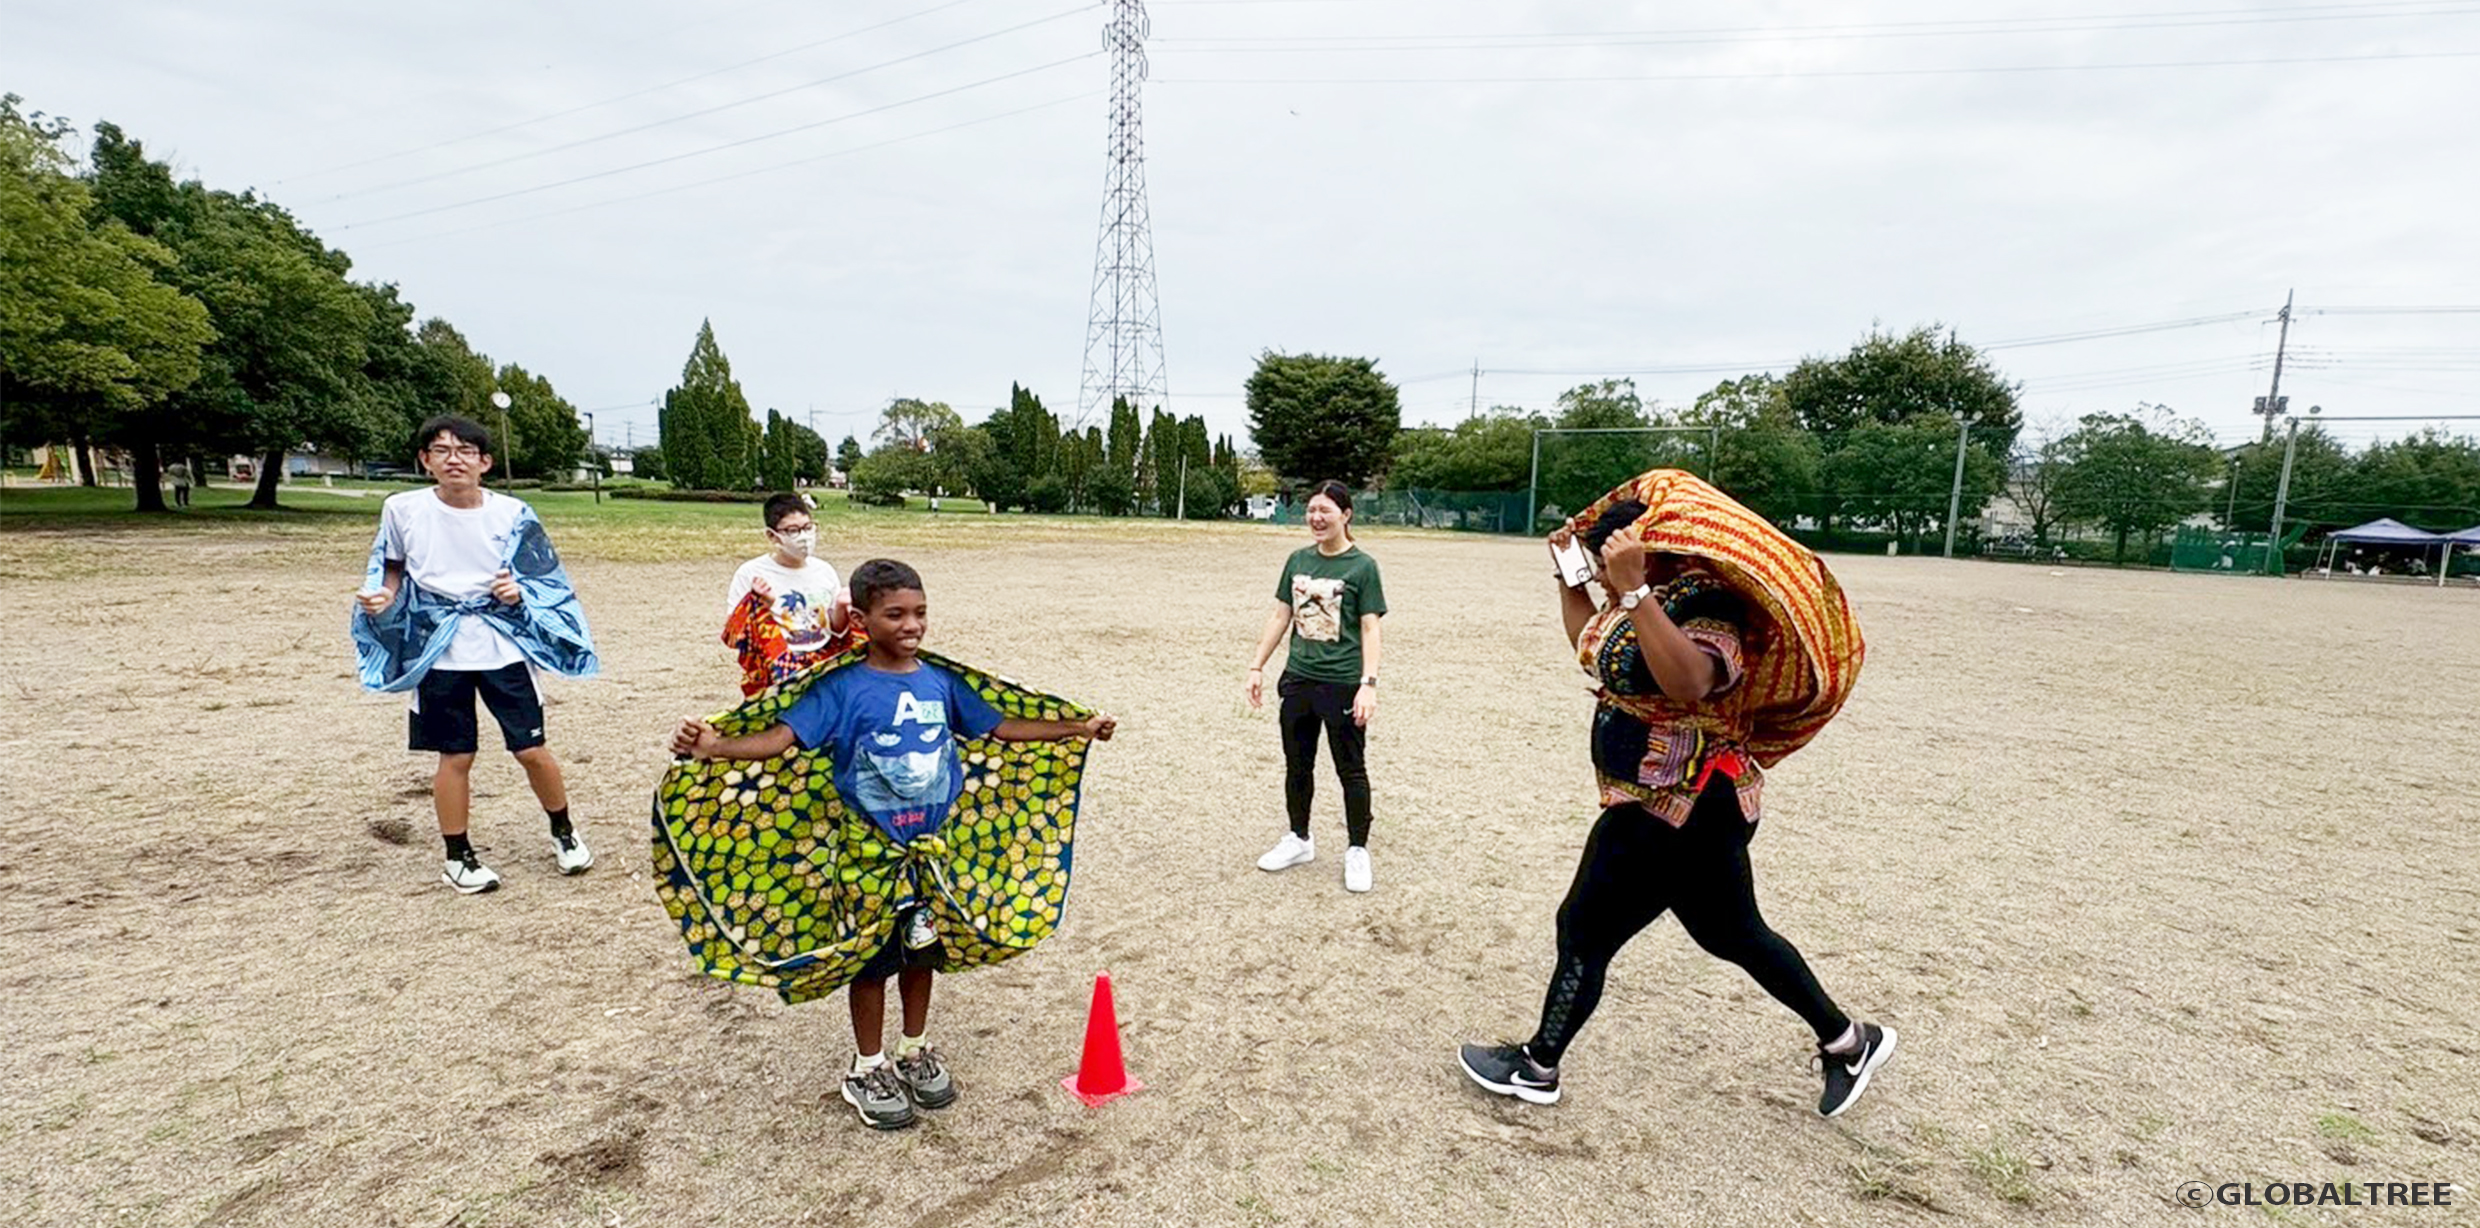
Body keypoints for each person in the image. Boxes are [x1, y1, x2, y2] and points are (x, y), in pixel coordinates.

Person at [1459, 469, 1893, 1118]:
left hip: (1679, 806)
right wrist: (1569, 577)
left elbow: (1691, 680)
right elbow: (1592, 646)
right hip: (1681, 808)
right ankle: (1848, 1041)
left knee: (1583, 928)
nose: (1604, 583)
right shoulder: (1647, 597)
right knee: (1734, 933)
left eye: (1610, 567)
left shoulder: (1708, 601)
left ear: (1643, 553)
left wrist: (1634, 591)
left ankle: (1537, 1066)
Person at [663, 559, 1118, 1131]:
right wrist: (714, 746)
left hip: (931, 855)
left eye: (920, 613)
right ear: (860, 618)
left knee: (921, 953)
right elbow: (780, 739)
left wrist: (1077, 729)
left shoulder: (941, 682)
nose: (912, 625)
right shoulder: (840, 687)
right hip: (868, 857)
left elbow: (1001, 726)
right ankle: (867, 1066)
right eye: (895, 614)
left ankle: (915, 1048)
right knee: (872, 962)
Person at [351, 416, 600, 895]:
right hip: (439, 648)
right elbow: (392, 566)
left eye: (465, 450)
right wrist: (383, 595)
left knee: (530, 748)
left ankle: (564, 831)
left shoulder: (512, 512)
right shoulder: (402, 509)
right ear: (425, 460)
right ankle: (458, 856)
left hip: (501, 644)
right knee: (455, 754)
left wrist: (516, 592)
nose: (453, 459)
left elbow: (542, 575)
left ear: (484, 462)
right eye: (440, 450)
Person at [1244, 480, 1387, 892]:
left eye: (1325, 510)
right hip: (1298, 679)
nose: (1316, 518)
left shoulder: (1362, 566)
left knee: (1351, 770)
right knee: (1297, 764)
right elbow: (1280, 616)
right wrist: (1257, 667)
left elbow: (1369, 626)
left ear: (1346, 515)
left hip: (1342, 684)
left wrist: (1368, 684)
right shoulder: (1297, 560)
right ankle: (1298, 838)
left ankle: (1357, 850)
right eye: (1311, 510)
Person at [723, 493, 857, 696]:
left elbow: (835, 628)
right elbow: (735, 635)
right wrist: (762, 605)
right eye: (792, 531)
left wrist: (841, 606)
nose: (803, 537)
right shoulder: (751, 574)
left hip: (822, 667)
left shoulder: (824, 571)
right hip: (777, 673)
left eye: (808, 527)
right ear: (772, 535)